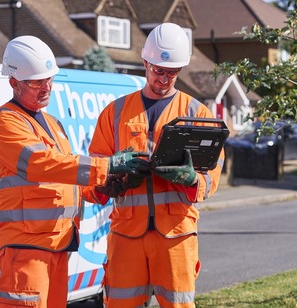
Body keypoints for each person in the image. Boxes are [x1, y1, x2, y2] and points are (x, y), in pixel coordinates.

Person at [0, 35, 149, 308]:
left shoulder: (53, 123)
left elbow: (66, 177)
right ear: (13, 83)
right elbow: (41, 164)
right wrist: (107, 166)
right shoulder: (3, 122)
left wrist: (101, 188)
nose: (46, 87)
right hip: (26, 247)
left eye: (49, 79)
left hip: (57, 244)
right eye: (37, 81)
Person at [88, 23, 225, 307]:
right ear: (145, 63)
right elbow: (95, 172)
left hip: (176, 234)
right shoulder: (114, 113)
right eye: (158, 71)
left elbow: (213, 169)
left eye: (172, 72)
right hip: (127, 234)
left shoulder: (196, 113)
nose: (164, 79)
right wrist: (115, 180)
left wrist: (192, 180)